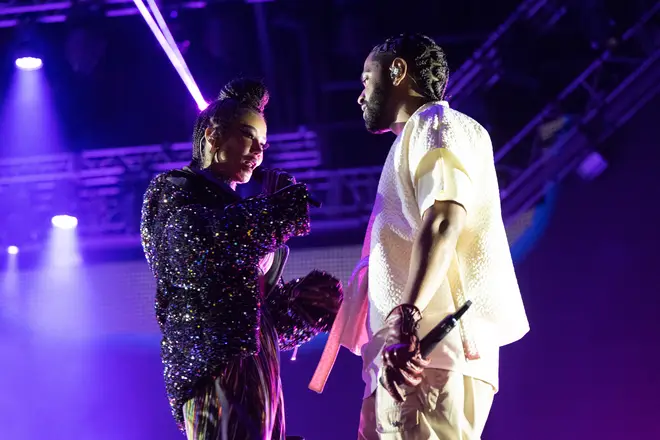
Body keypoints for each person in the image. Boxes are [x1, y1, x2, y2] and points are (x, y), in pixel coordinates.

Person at [309, 34, 529, 439]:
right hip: (408, 357)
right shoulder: (418, 137)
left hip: (425, 352)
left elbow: (444, 219)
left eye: (366, 79)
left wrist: (406, 319)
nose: (360, 96)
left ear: (398, 72)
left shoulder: (434, 123)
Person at [141, 78, 343, 440]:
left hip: (260, 364)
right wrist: (277, 210)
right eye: (249, 136)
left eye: (263, 144)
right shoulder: (174, 190)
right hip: (214, 365)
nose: (258, 152)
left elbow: (252, 309)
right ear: (214, 135)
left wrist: (304, 306)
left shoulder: (243, 212)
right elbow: (195, 252)